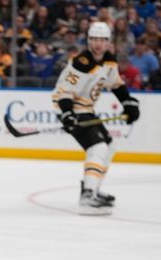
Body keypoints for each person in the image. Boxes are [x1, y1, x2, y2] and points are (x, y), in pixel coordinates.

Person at [52, 22, 140, 215]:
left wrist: (128, 103)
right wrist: (67, 114)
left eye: (102, 40)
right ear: (89, 41)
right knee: (97, 147)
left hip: (87, 110)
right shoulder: (81, 63)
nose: (98, 44)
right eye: (94, 39)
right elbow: (64, 92)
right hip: (71, 110)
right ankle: (88, 194)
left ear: (108, 42)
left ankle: (92, 189)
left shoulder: (109, 60)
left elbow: (115, 84)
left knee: (109, 147)